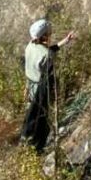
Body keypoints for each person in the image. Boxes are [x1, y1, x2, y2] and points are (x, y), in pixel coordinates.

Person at [21, 19, 75, 153]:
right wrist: (56, 93)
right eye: (49, 34)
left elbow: (46, 51)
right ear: (44, 35)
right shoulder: (46, 56)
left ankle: (30, 146)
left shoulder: (30, 46)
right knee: (40, 120)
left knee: (32, 117)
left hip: (31, 87)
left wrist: (64, 41)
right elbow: (49, 75)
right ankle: (38, 148)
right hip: (40, 91)